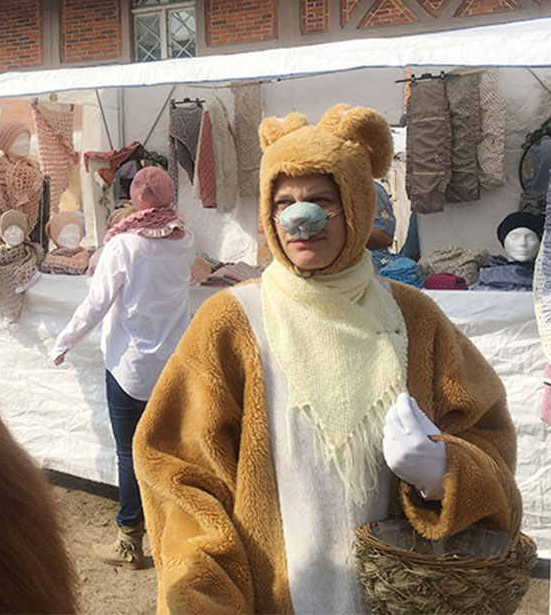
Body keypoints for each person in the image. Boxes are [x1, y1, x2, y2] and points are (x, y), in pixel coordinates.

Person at [134, 105, 519, 613]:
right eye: (284, 201)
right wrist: (203, 599)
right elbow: (180, 475)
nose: (301, 219)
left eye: (320, 200)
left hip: (397, 597)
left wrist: (444, 470)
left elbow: (487, 436)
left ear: (357, 205)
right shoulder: (231, 321)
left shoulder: (413, 319)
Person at [51, 166, 195, 569]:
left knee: (130, 453)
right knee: (165, 449)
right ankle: (172, 537)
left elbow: (95, 305)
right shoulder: (184, 239)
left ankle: (129, 541)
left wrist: (64, 343)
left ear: (135, 199)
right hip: (172, 362)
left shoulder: (125, 246)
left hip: (131, 366)